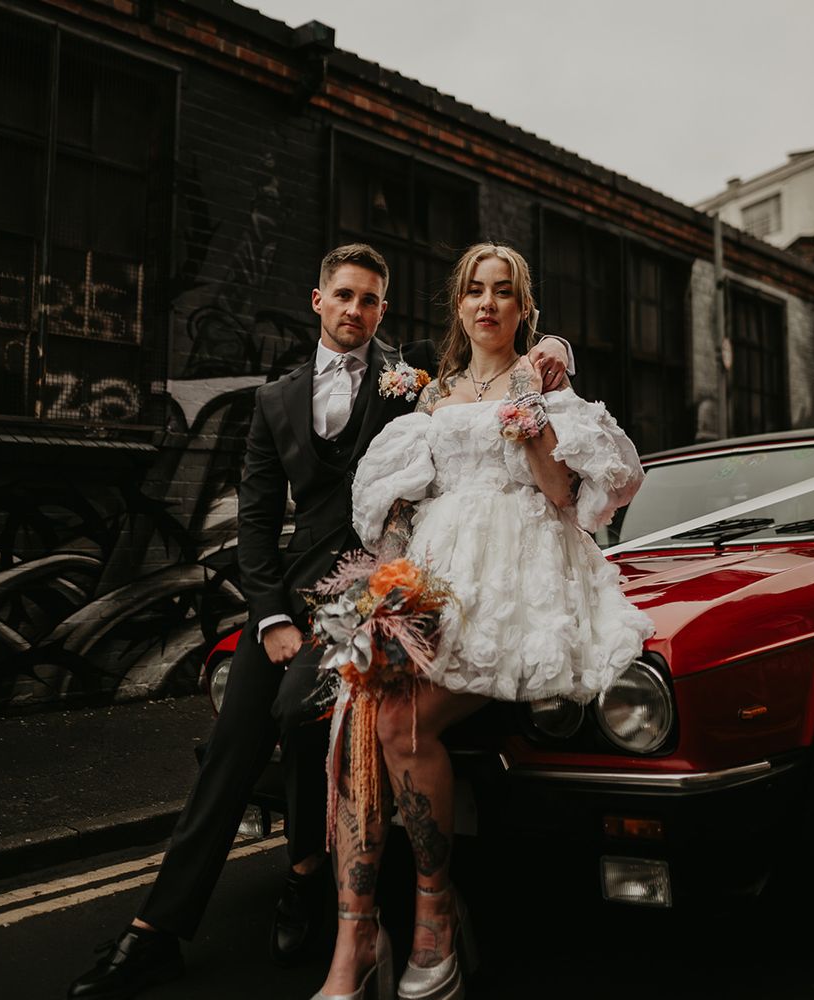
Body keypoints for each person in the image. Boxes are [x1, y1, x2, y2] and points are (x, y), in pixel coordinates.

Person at [68, 243, 573, 1000]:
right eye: (344, 296)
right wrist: (270, 615)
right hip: (291, 595)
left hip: (375, 589)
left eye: (370, 301)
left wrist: (554, 344)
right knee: (233, 746)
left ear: (383, 310)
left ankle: (309, 878)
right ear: (317, 300)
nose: (355, 311)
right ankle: (155, 932)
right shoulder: (275, 401)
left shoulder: (414, 387)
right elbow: (261, 520)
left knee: (304, 708)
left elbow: (493, 371)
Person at [312, 242, 654, 1000]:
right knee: (358, 714)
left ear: (523, 308)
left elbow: (569, 500)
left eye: (504, 292)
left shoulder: (547, 386)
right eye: (475, 290)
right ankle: (355, 938)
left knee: (402, 723)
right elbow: (402, 509)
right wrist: (385, 589)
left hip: (517, 579)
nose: (488, 303)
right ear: (459, 304)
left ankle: (433, 918)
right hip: (433, 579)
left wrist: (533, 421)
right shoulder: (432, 398)